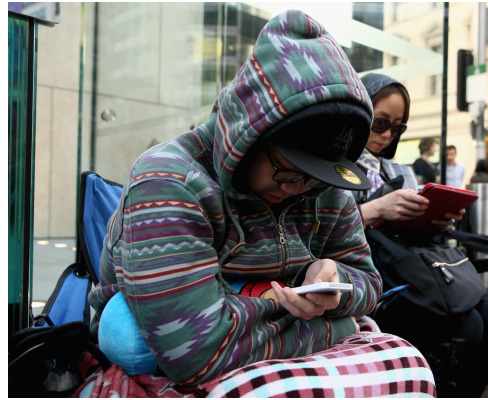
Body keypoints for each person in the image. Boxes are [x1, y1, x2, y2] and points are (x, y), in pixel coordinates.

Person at [82, 10, 436, 397]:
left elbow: (368, 281)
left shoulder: (323, 186)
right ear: (248, 133)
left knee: (415, 366)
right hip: (169, 347)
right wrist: (338, 324)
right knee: (130, 335)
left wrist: (335, 279)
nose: (297, 189)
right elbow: (194, 355)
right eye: (287, 170)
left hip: (242, 334)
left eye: (317, 176)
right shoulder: (168, 181)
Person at [354, 73, 488, 398]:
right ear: (359, 113)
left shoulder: (400, 170)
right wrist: (377, 208)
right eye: (380, 122)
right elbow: (322, 229)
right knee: (472, 326)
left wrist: (436, 219)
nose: (387, 135)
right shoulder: (336, 168)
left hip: (412, 269)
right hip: (375, 281)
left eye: (397, 128)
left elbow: (413, 231)